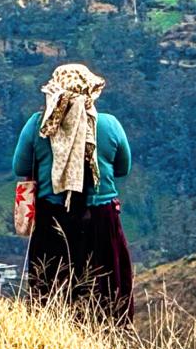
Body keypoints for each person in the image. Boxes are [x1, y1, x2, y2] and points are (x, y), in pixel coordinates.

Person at [12, 63, 134, 320]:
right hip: (101, 219)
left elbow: (20, 167)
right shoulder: (109, 125)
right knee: (107, 289)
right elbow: (123, 168)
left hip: (53, 217)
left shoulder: (38, 125)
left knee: (51, 288)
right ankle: (107, 335)